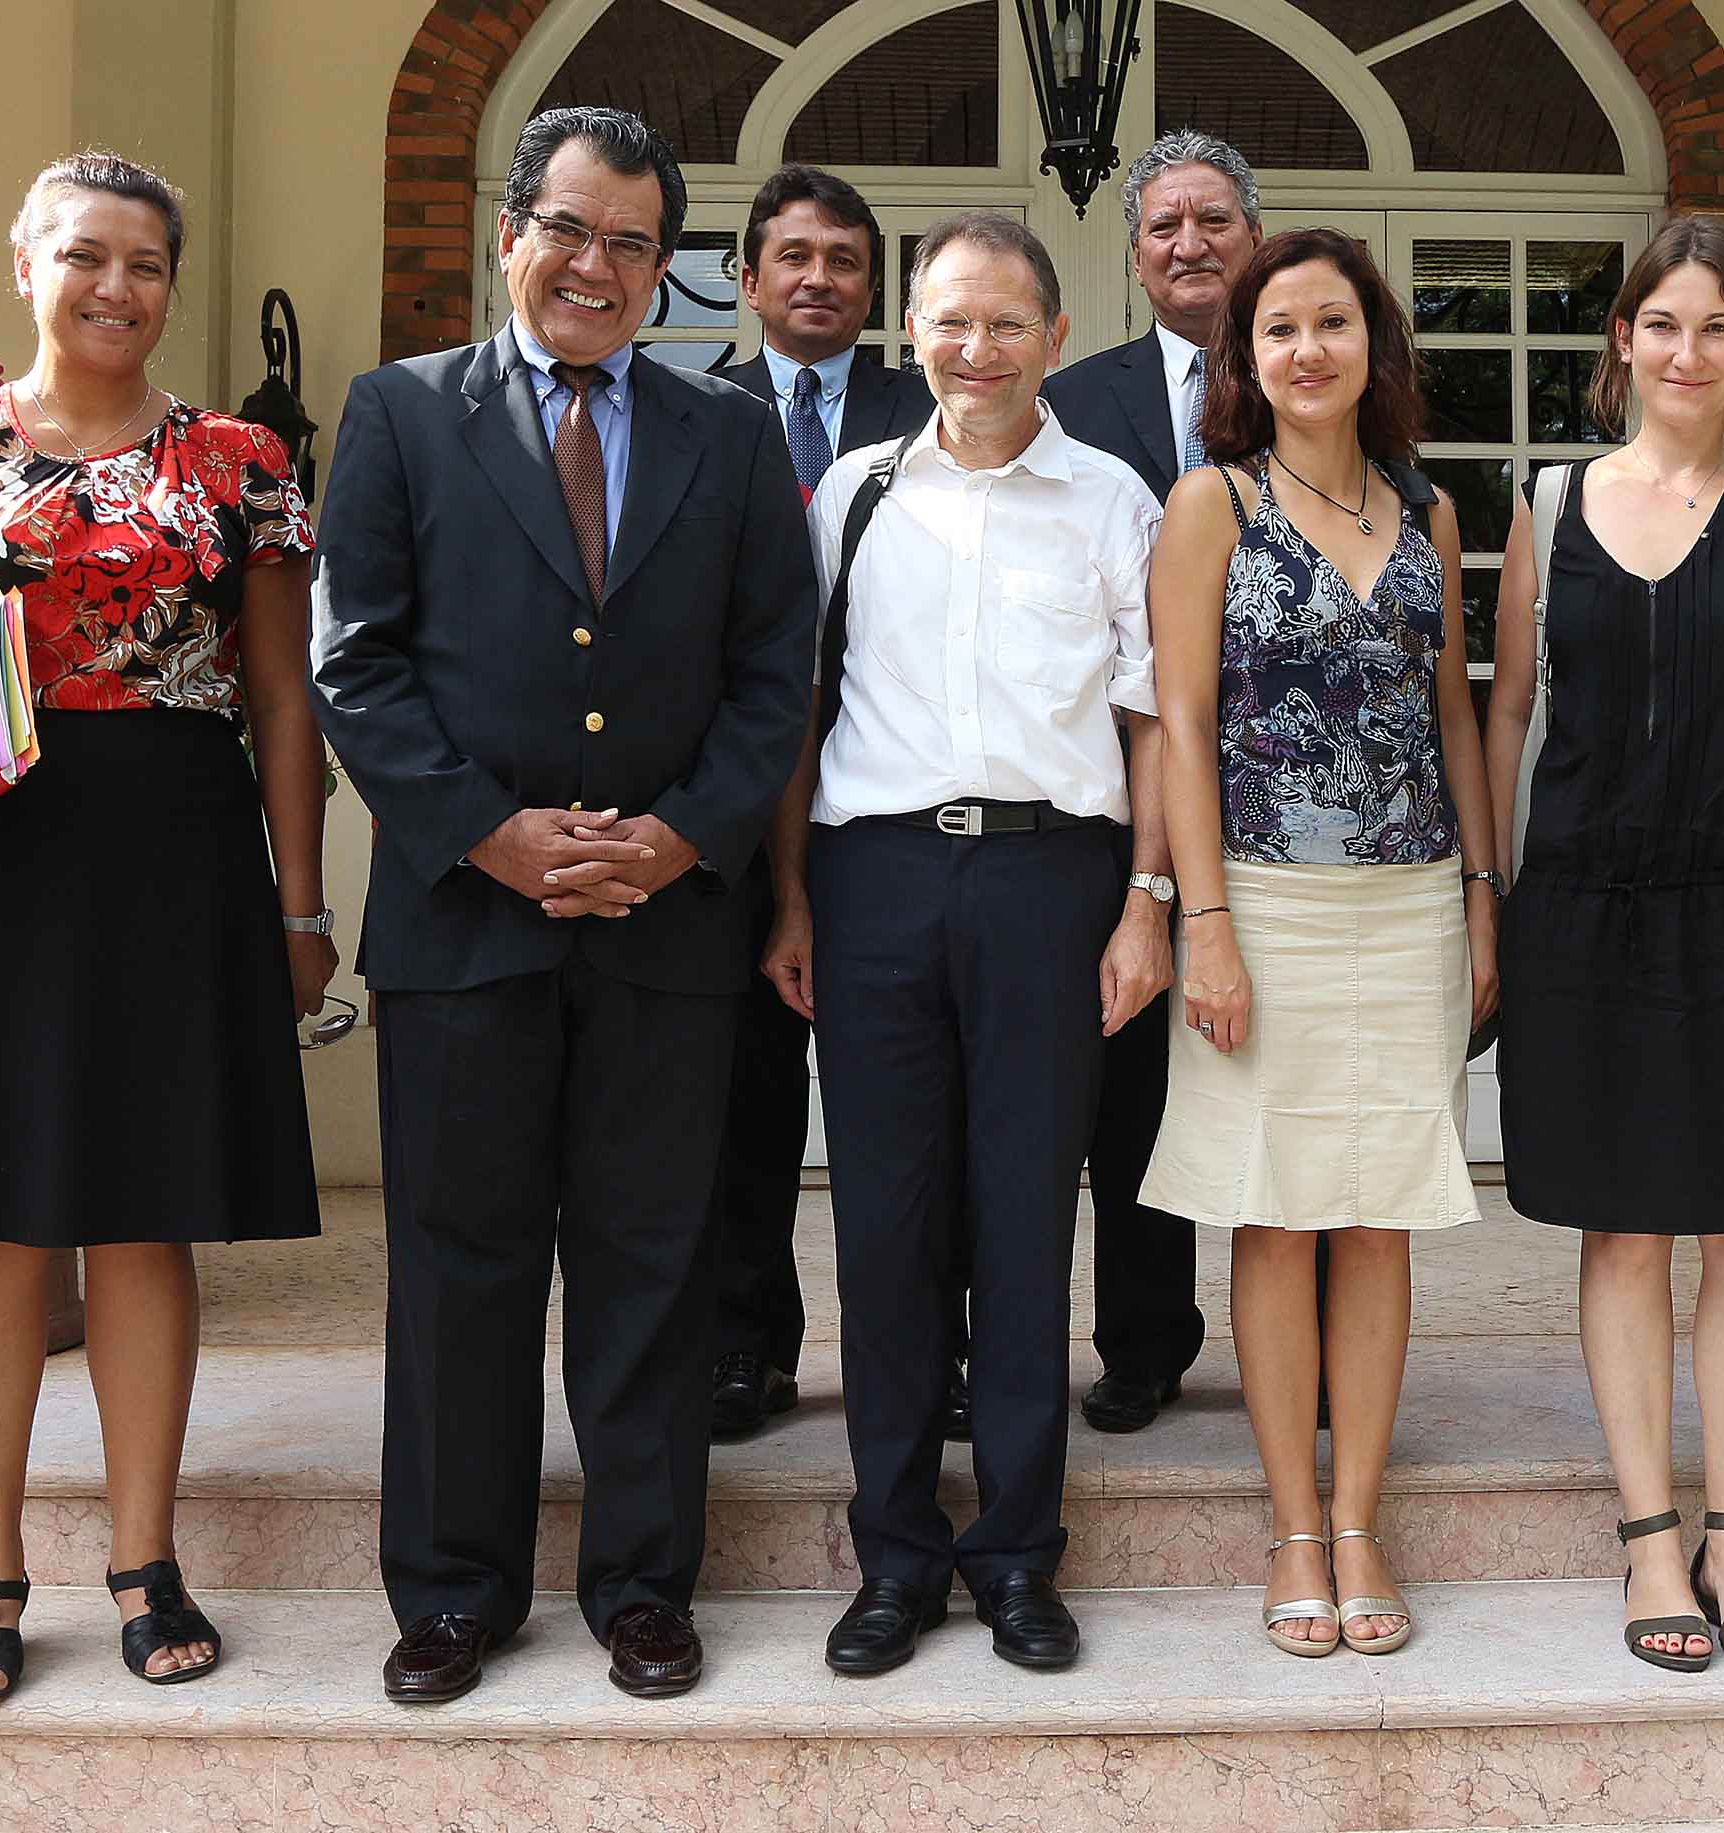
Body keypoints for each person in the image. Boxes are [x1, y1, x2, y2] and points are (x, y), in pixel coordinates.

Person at [0, 150, 328, 1704]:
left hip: (173, 853)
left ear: (174, 281)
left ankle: (146, 1559)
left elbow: (286, 699)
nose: (116, 287)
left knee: (144, 1213)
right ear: (26, 265)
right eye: (85, 255)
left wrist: (301, 900)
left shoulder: (242, 463)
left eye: (147, 262)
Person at [312, 105, 815, 1706]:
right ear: (509, 233)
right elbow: (357, 662)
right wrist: (490, 833)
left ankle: (645, 1586)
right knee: (460, 1265)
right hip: (465, 926)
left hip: (669, 928)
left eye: (634, 246)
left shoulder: (727, 436)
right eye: (573, 230)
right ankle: (455, 1589)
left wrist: (680, 840)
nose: (597, 268)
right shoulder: (398, 413)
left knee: (651, 1262)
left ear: (666, 274)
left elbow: (772, 673)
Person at [769, 211, 1171, 1676]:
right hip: (873, 883)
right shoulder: (857, 495)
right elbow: (800, 712)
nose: (975, 350)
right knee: (884, 1234)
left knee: (1022, 1223)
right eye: (949, 321)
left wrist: (1149, 902)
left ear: (1056, 337)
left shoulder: (1115, 500)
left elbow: (1152, 724)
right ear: (912, 333)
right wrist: (794, 902)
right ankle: (894, 1558)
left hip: (1050, 886)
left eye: (1005, 323)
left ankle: (1013, 1554)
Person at [1486, 218, 1724, 1674]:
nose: (1686, 351)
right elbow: (1512, 709)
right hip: (1585, 908)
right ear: (1624, 343)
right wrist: (1499, 888)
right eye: (1662, 324)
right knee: (1623, 1223)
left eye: (1717, 328)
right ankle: (1649, 1534)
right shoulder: (1552, 502)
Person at [1139, 227, 1495, 1659]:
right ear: (1246, 363)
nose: (1306, 349)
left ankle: (1360, 1516)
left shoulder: (1430, 510)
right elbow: (1180, 723)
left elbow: (1455, 715)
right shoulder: (1209, 502)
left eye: (1331, 322)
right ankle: (1291, 1522)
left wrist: (1483, 897)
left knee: (1381, 1207)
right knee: (1278, 1212)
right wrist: (1203, 922)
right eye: (1277, 329)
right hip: (1266, 905)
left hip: (1409, 902)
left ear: (1374, 344)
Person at [709, 163, 942, 1445]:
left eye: (844, 260)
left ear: (877, 289)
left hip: (890, 812)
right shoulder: (694, 415)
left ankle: (925, 1356)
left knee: (909, 1121)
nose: (818, 278)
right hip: (738, 820)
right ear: (748, 281)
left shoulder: (935, 418)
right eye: (793, 256)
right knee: (742, 1105)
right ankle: (745, 1347)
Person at [1039, 128, 1264, 1435]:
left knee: (1278, 1067)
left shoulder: (1313, 374)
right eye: (1164, 226)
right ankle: (1142, 1338)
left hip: (1290, 785)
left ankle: (1306, 1336)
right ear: (1133, 257)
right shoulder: (1082, 396)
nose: (1189, 244)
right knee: (1131, 1081)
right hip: (1122, 778)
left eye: (1213, 221)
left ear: (1252, 233)